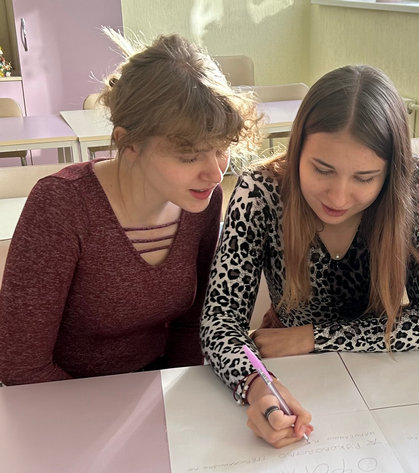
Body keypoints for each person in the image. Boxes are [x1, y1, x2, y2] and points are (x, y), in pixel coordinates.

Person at [201, 64, 419, 448]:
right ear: (297, 149)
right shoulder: (259, 192)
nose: (338, 197)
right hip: (293, 373)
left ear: (390, 172)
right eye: (322, 170)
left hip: (385, 379)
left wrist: (313, 338)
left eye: (364, 178)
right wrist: (257, 386)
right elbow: (219, 322)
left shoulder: (412, 186)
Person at [0, 31, 259, 385]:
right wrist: (112, 411)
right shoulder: (61, 206)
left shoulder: (200, 198)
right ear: (129, 143)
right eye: (189, 156)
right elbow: (21, 365)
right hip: (66, 394)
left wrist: (175, 397)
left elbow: (190, 326)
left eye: (221, 149)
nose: (215, 174)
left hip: (153, 384)